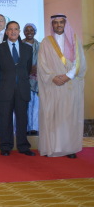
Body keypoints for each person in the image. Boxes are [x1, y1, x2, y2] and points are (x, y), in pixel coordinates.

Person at [38, 14, 86, 158]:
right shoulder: (46, 42)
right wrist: (53, 77)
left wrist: (67, 76)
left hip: (70, 85)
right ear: (52, 25)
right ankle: (53, 147)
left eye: (61, 22)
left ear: (65, 24)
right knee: (53, 117)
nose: (58, 25)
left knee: (68, 117)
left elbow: (80, 62)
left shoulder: (75, 40)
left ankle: (69, 149)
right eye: (56, 23)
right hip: (53, 86)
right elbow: (41, 64)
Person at [0, 21, 35, 156]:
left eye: (16, 29)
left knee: (22, 119)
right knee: (5, 119)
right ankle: (5, 146)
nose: (13, 32)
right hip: (5, 89)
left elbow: (27, 68)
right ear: (6, 32)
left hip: (22, 89)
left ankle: (23, 146)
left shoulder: (28, 48)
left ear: (19, 32)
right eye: (10, 29)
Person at [22, 23, 40, 135]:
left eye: (31, 30)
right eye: (27, 30)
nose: (29, 32)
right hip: (23, 78)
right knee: (25, 104)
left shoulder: (41, 45)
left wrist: (39, 67)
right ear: (23, 32)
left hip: (38, 79)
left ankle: (34, 128)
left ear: (35, 32)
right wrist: (28, 68)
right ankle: (26, 128)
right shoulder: (20, 44)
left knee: (36, 104)